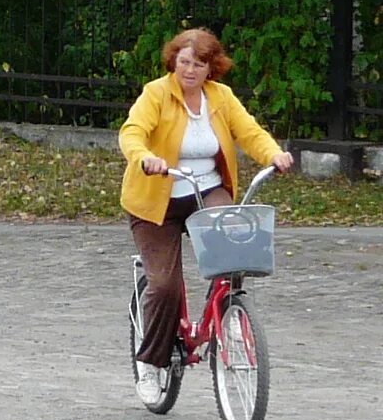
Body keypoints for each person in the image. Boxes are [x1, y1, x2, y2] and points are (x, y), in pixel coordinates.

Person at [119, 26, 290, 399]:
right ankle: (151, 364)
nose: (190, 70)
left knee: (233, 253)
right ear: (173, 62)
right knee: (163, 286)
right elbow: (132, 132)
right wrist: (145, 157)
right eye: (184, 62)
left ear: (212, 67)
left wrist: (273, 153)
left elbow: (250, 132)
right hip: (156, 199)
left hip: (205, 191)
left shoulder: (220, 97)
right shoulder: (156, 94)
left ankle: (229, 313)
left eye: (199, 63)